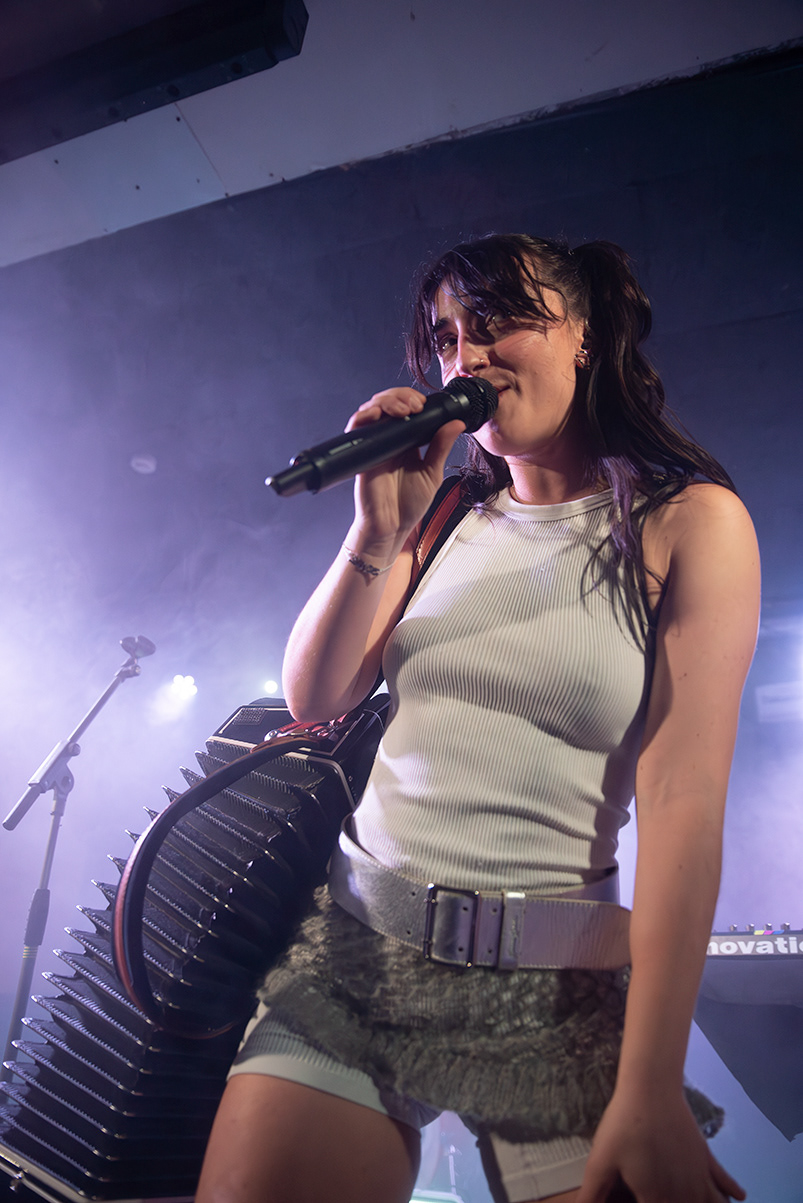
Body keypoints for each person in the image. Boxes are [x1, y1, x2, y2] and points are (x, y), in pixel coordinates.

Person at [196, 235, 760, 1203]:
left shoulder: (686, 522)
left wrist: (650, 1081)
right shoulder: (447, 512)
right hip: (358, 955)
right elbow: (314, 697)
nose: (466, 357)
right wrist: (376, 529)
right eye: (447, 337)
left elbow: (683, 802)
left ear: (584, 335)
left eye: (496, 323)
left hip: (552, 995)